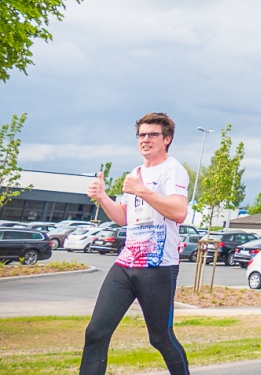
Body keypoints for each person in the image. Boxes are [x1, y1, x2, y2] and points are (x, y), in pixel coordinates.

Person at [80, 112, 191, 375]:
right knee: (96, 332)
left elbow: (179, 212)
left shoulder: (173, 169)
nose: (146, 139)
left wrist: (142, 190)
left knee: (160, 338)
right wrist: (103, 198)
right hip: (126, 263)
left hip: (158, 266)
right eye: (142, 135)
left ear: (167, 139)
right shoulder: (135, 172)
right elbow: (123, 218)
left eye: (153, 135)